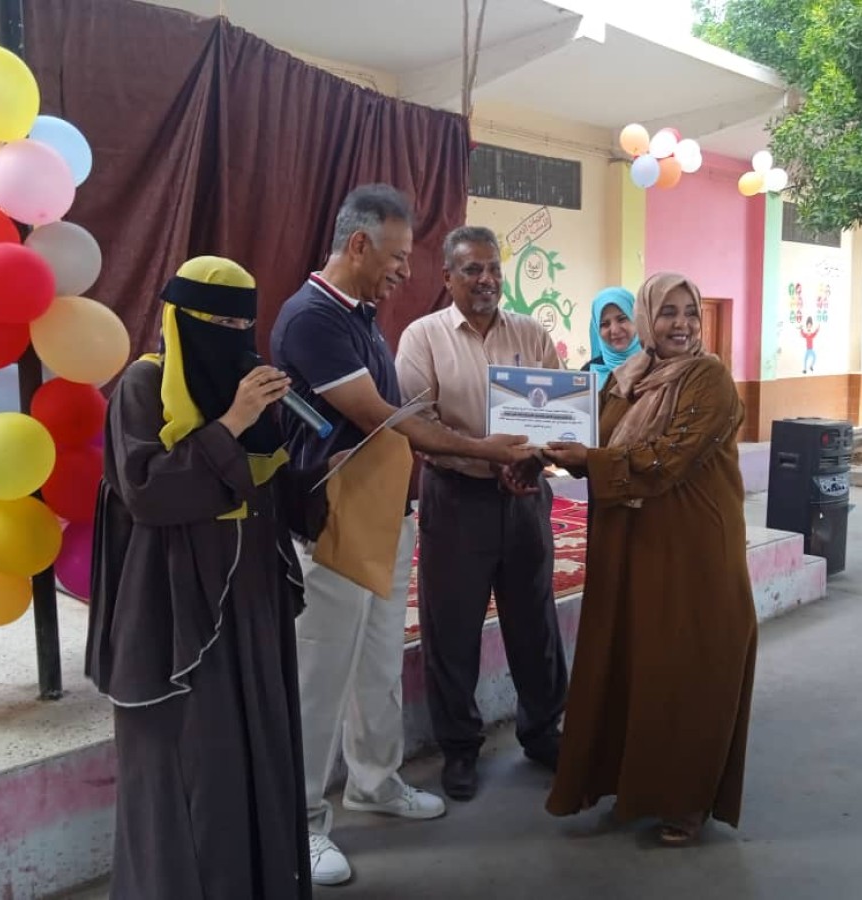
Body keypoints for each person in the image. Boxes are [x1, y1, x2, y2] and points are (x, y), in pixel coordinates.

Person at [270, 185, 533, 886]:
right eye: (393, 257)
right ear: (357, 245)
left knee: (380, 664)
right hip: (333, 521)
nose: (401, 273)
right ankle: (301, 820)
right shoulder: (311, 320)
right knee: (321, 676)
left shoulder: (358, 316)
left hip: (388, 513)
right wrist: (487, 449)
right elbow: (384, 418)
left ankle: (375, 781)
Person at [86, 256, 330, 899]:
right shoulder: (142, 388)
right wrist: (231, 425)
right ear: (179, 318)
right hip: (176, 609)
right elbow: (148, 494)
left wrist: (316, 467)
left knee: (255, 752)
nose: (233, 336)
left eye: (242, 323)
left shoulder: (248, 383)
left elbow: (271, 486)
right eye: (216, 320)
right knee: (191, 767)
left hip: (250, 600)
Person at [542, 271, 758, 846]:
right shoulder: (628, 379)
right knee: (640, 663)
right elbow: (600, 441)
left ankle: (687, 800)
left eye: (690, 311)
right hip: (636, 541)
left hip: (694, 545)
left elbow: (664, 459)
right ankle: (634, 784)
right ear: (647, 321)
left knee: (691, 665)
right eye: (668, 313)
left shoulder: (707, 378)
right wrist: (546, 450)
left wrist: (586, 460)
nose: (682, 323)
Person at [396, 225, 568, 803]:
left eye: (493, 268)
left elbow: (559, 416)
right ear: (447, 277)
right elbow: (417, 426)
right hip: (456, 498)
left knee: (534, 621)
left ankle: (543, 732)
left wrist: (532, 459)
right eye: (472, 269)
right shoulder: (421, 338)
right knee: (453, 628)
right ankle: (461, 750)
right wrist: (486, 455)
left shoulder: (530, 333)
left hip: (524, 498)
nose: (487, 279)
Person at [580, 286, 640, 381]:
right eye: (604, 324)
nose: (615, 330)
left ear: (636, 319)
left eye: (622, 319)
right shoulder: (587, 374)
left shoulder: (658, 367)